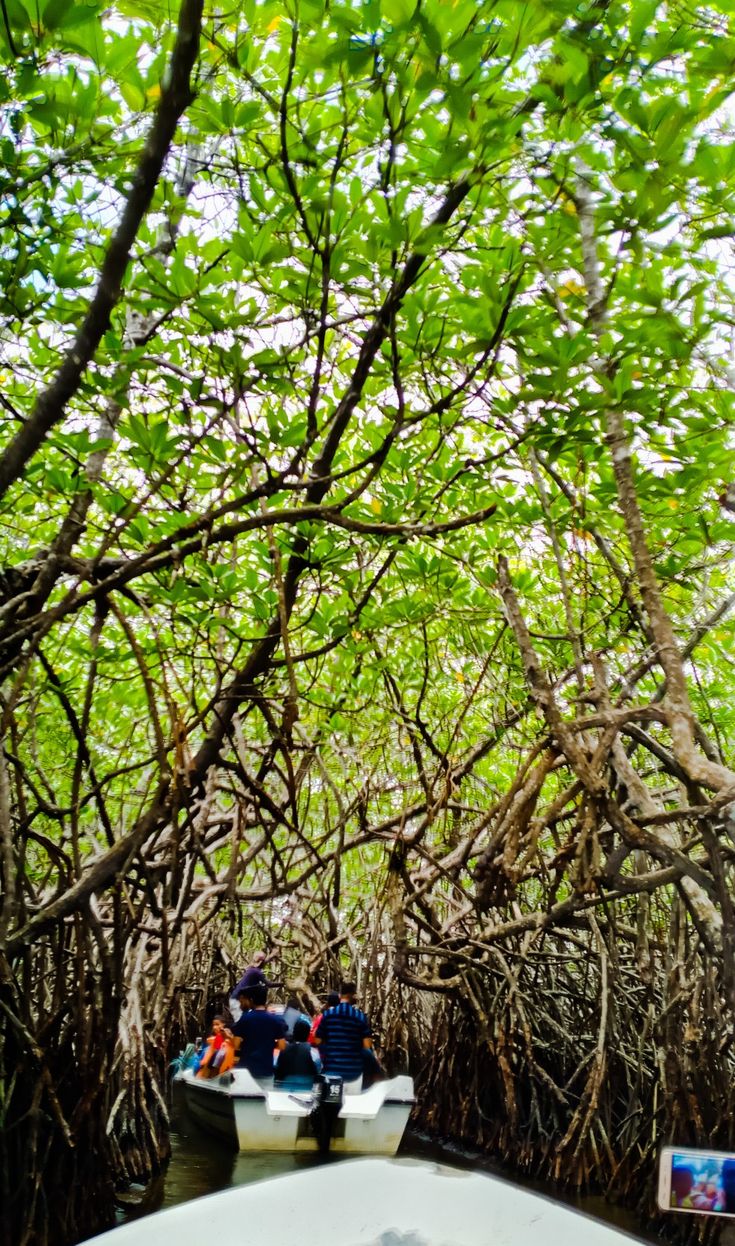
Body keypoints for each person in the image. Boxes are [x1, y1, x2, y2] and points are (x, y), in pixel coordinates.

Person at [312, 981, 373, 1094]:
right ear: (353, 996)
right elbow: (366, 1046)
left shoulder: (328, 1015)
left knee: (331, 1108)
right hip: (354, 1074)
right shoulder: (360, 1017)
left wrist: (328, 1051)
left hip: (331, 1072)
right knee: (352, 1108)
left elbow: (317, 1040)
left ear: (340, 995)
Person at [227, 984, 287, 1083]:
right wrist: (269, 1044)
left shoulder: (245, 1018)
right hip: (266, 1071)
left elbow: (236, 1045)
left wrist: (230, 1037)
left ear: (251, 1000)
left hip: (245, 1072)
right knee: (264, 1098)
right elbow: (282, 1046)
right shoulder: (276, 1020)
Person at [274, 1018, 321, 1090]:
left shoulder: (283, 1049)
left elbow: (277, 1068)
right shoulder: (313, 1052)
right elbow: (318, 1071)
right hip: (307, 1088)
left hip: (285, 1087)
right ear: (308, 1034)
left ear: (294, 1032)